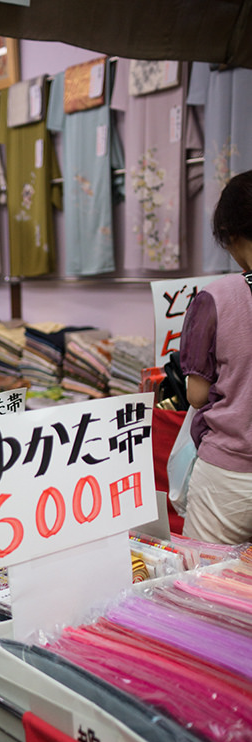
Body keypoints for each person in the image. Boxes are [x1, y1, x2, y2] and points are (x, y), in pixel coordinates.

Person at [180, 169, 252, 544]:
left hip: (228, 474)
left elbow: (195, 395)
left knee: (205, 588)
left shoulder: (216, 296)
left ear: (232, 234)